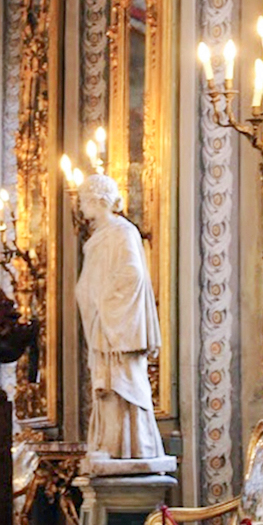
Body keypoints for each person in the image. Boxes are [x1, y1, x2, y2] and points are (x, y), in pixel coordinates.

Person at [75, 173, 165, 464]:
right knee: (107, 391)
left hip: (118, 324)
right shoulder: (98, 237)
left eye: (83, 200)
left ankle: (132, 446)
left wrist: (104, 300)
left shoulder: (122, 231)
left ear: (97, 199)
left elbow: (132, 274)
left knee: (123, 383)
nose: (80, 206)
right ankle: (111, 443)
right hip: (103, 325)